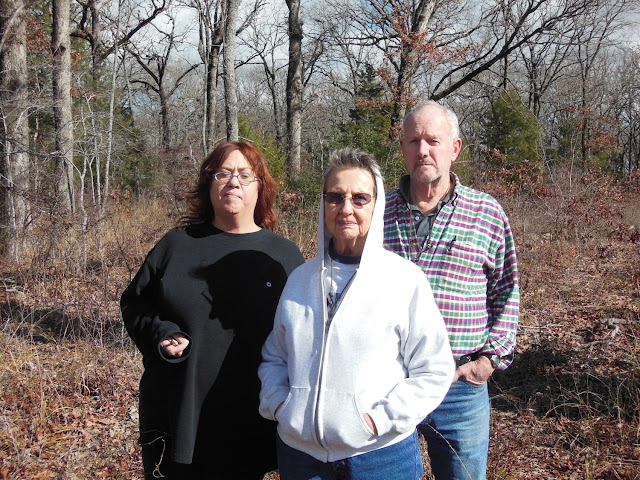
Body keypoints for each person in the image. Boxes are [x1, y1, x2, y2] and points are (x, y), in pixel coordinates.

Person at [259, 147, 455, 480]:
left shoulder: (404, 280)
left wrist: (378, 420)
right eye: (335, 197)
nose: (346, 208)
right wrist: (280, 404)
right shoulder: (300, 280)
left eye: (360, 198)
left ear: (376, 206)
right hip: (301, 458)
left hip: (379, 457)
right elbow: (275, 356)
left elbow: (434, 369)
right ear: (323, 204)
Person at [121, 141, 305, 479]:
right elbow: (135, 303)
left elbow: (301, 337)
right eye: (223, 173)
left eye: (245, 175)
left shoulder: (283, 257)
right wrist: (162, 333)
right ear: (209, 183)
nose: (233, 182)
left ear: (260, 187)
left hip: (248, 424)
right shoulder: (176, 245)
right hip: (176, 419)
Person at [383, 100, 520, 480]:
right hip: (389, 380)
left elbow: (507, 291)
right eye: (414, 141)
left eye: (433, 140)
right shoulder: (376, 213)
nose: (423, 150)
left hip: (460, 385)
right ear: (403, 148)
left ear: (455, 148)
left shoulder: (486, 212)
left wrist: (489, 360)